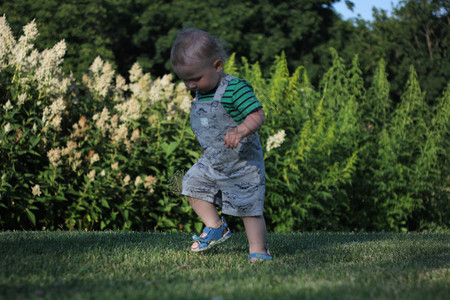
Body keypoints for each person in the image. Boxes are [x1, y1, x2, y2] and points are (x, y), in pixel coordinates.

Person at [171, 28, 272, 261]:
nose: (189, 85)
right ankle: (216, 226)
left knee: (249, 209)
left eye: (195, 78)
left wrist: (241, 129)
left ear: (217, 66)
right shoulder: (199, 93)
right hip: (213, 159)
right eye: (185, 79)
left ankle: (258, 250)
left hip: (242, 162)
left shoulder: (234, 89)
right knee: (191, 184)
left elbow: (257, 115)